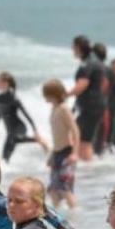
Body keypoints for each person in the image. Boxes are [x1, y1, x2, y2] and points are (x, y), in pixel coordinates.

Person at [0, 71, 47, 162]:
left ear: (6, 83)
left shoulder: (14, 98)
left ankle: (38, 139)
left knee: (14, 140)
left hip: (19, 128)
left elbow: (26, 114)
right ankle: (5, 173)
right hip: (10, 131)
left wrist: (35, 130)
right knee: (5, 156)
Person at [42, 79, 79, 209]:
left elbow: (75, 131)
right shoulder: (54, 108)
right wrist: (52, 155)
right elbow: (56, 135)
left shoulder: (64, 109)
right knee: (53, 191)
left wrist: (74, 153)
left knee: (65, 189)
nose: (44, 96)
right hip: (57, 153)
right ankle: (59, 219)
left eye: (45, 94)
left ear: (53, 93)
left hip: (67, 152)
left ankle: (76, 217)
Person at [68, 35, 105, 161]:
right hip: (93, 105)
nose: (72, 49)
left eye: (73, 46)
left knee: (83, 140)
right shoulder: (93, 60)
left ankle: (88, 173)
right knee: (81, 138)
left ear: (79, 47)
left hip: (90, 106)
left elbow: (83, 84)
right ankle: (87, 172)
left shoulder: (87, 63)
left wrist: (65, 95)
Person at [92, 42, 113, 156]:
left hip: (96, 108)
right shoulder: (109, 70)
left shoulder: (95, 69)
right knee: (101, 141)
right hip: (106, 108)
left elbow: (103, 87)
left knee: (92, 139)